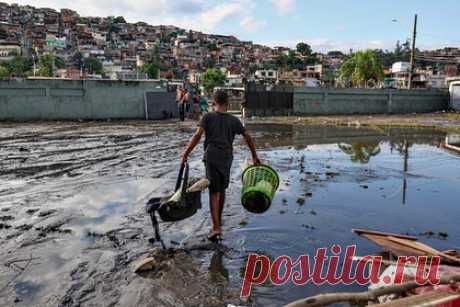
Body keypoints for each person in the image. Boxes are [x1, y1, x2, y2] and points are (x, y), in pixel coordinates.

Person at [181, 90, 260, 242]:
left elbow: (197, 135)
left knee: (214, 192)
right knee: (221, 190)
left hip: (212, 157)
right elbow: (248, 136)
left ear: (213, 103)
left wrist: (185, 154)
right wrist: (254, 156)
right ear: (228, 103)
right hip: (226, 158)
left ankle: (216, 227)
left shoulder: (208, 117)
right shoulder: (233, 120)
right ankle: (218, 222)